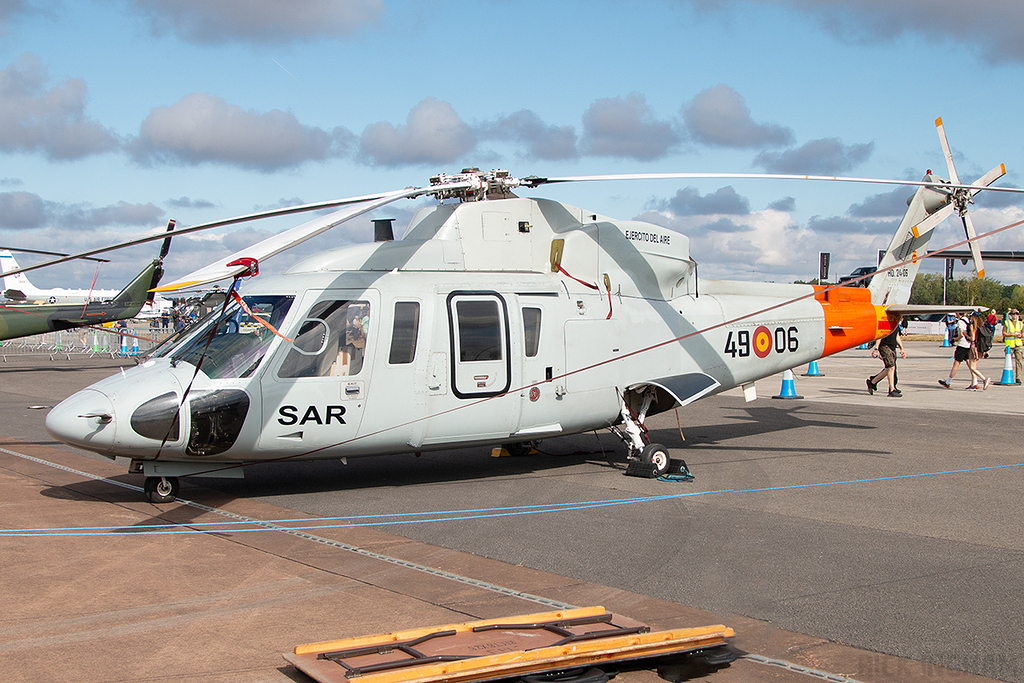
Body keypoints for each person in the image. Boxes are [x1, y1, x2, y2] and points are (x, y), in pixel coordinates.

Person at [868, 322, 906, 397]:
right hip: (884, 346)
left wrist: (902, 348)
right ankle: (892, 390)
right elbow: (880, 337)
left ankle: (872, 381)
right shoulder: (885, 323)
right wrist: (876, 348)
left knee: (889, 369)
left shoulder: (895, 324)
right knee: (891, 367)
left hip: (892, 347)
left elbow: (897, 336)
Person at [939, 312, 971, 389]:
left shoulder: (960, 322)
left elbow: (961, 334)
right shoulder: (967, 320)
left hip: (962, 345)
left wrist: (955, 339)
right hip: (968, 344)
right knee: (969, 363)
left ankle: (948, 381)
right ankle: (975, 381)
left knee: (956, 363)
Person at [965, 311, 992, 391]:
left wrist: (966, 335)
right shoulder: (982, 326)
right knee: (974, 365)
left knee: (972, 367)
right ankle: (974, 383)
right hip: (980, 348)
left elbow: (972, 338)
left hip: (974, 346)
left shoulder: (973, 326)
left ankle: (984, 379)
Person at [1004, 308, 1023, 384]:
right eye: (1013, 314)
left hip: (1018, 345)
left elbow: (1022, 333)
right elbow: (1004, 333)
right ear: (1010, 315)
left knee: (1019, 362)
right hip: (1009, 345)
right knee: (1008, 362)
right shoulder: (1007, 323)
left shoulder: (1021, 324)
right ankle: (1009, 376)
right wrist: (1013, 335)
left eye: (1016, 314)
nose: (1014, 315)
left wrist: (1021, 335)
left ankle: (1018, 378)